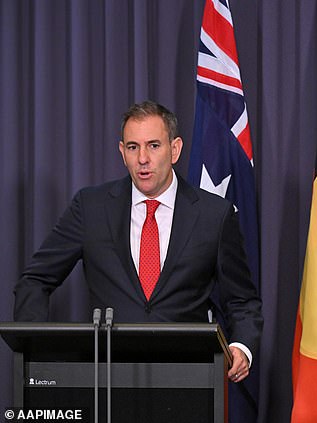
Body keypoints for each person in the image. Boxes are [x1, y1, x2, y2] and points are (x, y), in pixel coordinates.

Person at [14, 100, 262, 383]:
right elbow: (35, 279)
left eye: (154, 146)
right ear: (123, 152)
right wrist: (33, 345)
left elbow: (242, 301)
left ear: (175, 149)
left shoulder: (214, 214)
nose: (143, 158)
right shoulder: (91, 207)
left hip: (188, 378)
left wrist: (241, 347)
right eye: (133, 147)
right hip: (106, 380)